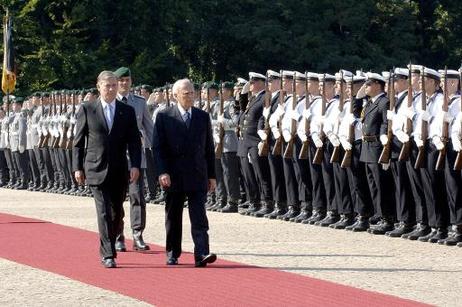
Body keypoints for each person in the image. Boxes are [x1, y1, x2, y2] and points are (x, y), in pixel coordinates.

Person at [73, 70, 141, 268]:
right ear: (99, 87)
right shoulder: (87, 109)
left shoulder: (126, 111)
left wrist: (135, 164)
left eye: (114, 85)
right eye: (107, 85)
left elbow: (134, 141)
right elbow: (78, 141)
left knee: (116, 213)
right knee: (103, 211)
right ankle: (108, 253)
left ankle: (111, 242)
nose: (111, 89)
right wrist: (77, 167)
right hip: (95, 168)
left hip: (119, 169)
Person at [153, 78, 217, 267]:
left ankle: (202, 253)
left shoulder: (202, 116)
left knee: (199, 216)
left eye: (192, 92)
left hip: (197, 173)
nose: (191, 96)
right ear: (175, 95)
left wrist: (212, 175)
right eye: (186, 93)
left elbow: (208, 149)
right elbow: (158, 148)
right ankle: (173, 252)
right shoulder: (165, 116)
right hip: (173, 174)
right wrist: (162, 171)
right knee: (173, 216)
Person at [114, 67, 154, 252]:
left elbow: (149, 128)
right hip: (116, 158)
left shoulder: (139, 102)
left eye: (127, 80)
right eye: (120, 80)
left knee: (137, 196)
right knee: (117, 198)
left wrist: (159, 150)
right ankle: (118, 235)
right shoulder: (110, 102)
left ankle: (137, 233)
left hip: (136, 158)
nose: (124, 83)